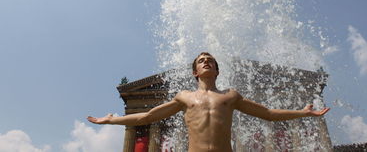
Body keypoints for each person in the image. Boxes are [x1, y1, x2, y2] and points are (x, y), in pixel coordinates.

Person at [88, 52, 330, 152]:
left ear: (217, 70)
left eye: (210, 60)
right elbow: (147, 117)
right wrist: (112, 120)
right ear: (195, 72)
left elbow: (267, 113)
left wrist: (303, 113)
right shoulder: (184, 97)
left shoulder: (230, 96)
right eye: (201, 60)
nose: (206, 62)